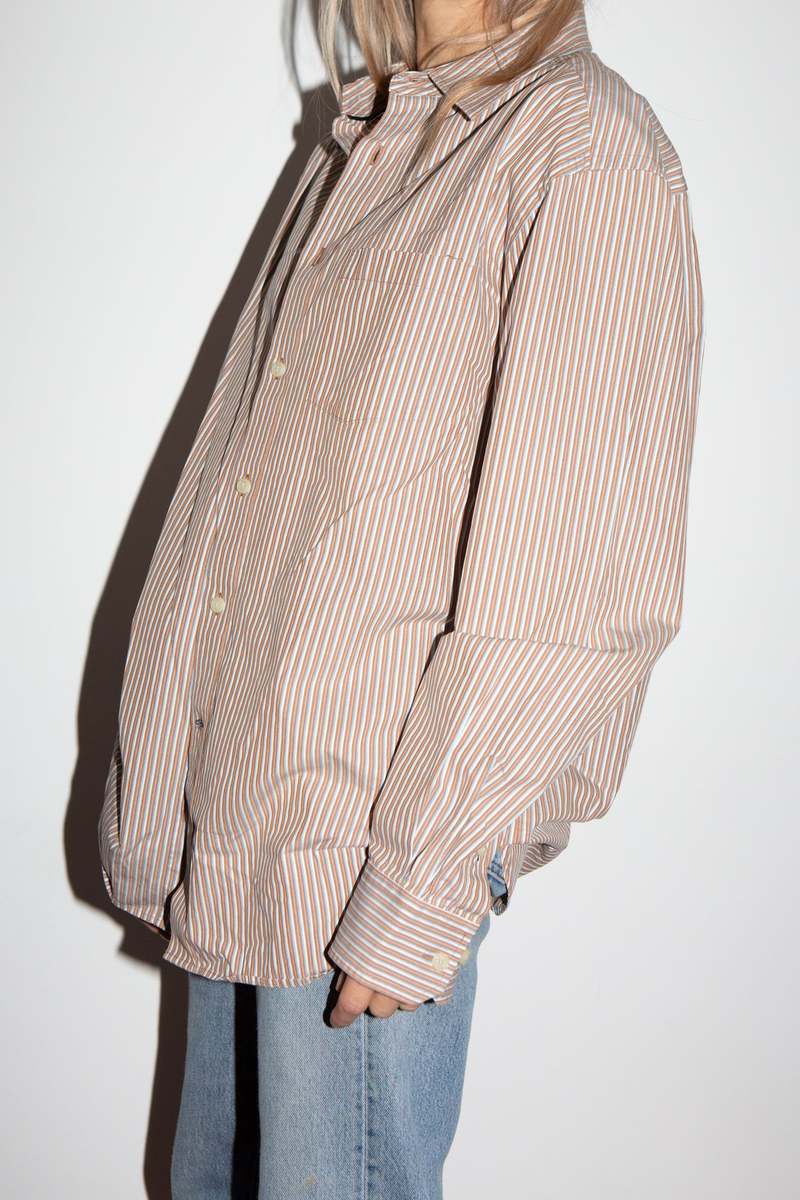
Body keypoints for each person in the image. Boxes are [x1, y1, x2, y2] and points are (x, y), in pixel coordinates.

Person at [98, 0, 704, 1195]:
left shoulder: (579, 148)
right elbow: (246, 494)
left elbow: (569, 582)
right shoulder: (373, 139)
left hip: (356, 863)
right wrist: (163, 794)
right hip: (244, 838)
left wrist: (418, 888)